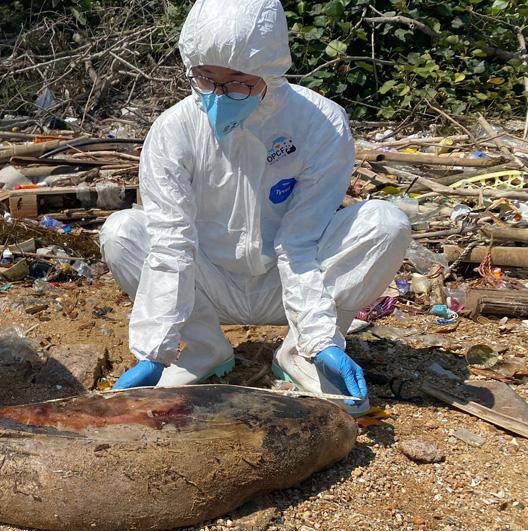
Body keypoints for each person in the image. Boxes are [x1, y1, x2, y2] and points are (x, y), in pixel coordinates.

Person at [99, 0, 410, 415]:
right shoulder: (174, 130)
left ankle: (300, 353)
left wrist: (321, 339)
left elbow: (298, 242)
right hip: (206, 283)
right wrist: (154, 348)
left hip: (284, 283)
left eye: (240, 82)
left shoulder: (319, 124)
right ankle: (198, 351)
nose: (221, 96)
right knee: (122, 232)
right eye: (207, 79)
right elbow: (172, 243)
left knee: (386, 225)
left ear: (271, 72)